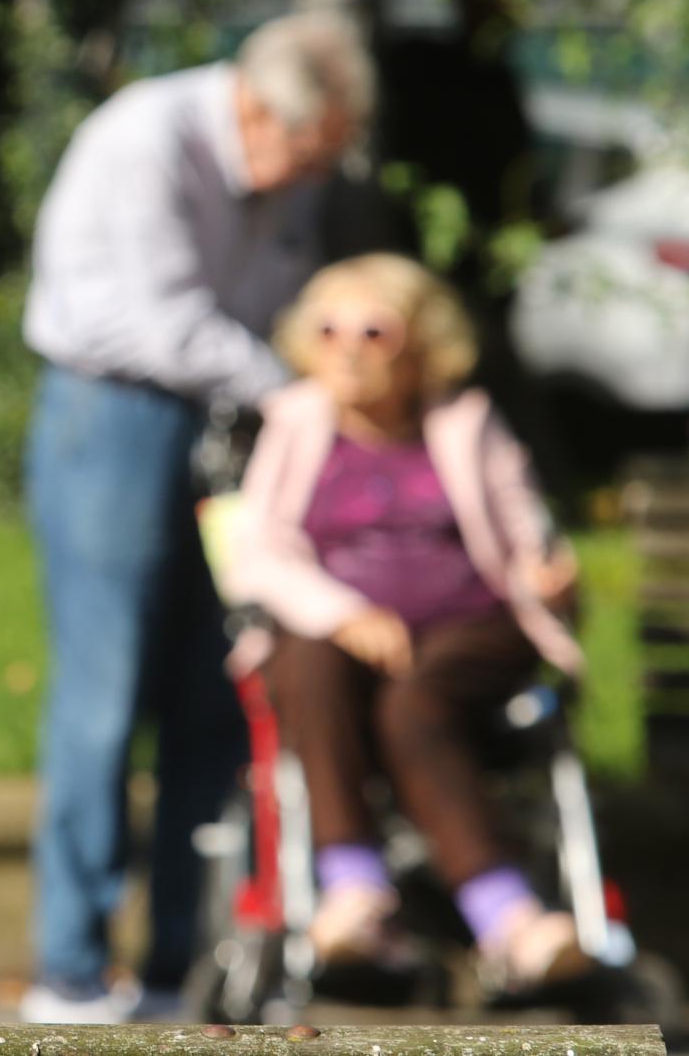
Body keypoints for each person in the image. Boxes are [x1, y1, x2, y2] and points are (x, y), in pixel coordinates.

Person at [20, 12, 374, 1023]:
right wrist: (299, 395)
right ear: (259, 108)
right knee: (104, 689)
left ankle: (184, 962)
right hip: (116, 410)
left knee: (213, 693)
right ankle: (71, 971)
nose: (316, 172)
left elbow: (278, 301)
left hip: (230, 422)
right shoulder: (147, 137)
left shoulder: (291, 170)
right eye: (311, 149)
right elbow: (160, 320)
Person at [228, 254, 587, 989]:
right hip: (341, 629)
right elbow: (255, 550)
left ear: (420, 343)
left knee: (414, 704)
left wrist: (549, 577)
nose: (347, 347)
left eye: (373, 331)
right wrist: (346, 612)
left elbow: (527, 539)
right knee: (305, 660)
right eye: (328, 329)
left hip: (470, 629)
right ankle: (353, 886)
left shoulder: (467, 421)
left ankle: (508, 917)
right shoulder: (294, 420)